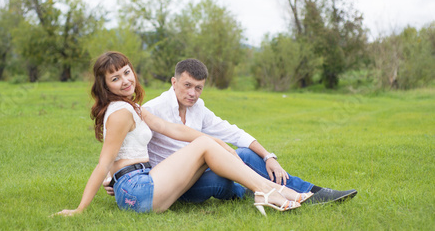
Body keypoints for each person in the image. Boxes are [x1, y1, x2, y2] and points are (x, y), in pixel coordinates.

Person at [55, 51, 313, 217]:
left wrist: (223, 147)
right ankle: (269, 191)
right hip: (136, 190)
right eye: (115, 78)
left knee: (207, 144)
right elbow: (104, 162)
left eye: (126, 72)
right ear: (105, 85)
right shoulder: (121, 112)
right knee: (205, 146)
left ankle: (270, 189)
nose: (125, 81)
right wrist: (80, 209)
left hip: (145, 184)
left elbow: (174, 130)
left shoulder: (134, 108)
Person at [104, 58, 356, 205]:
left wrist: (269, 156)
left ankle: (311, 193)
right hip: (172, 185)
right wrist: (112, 177)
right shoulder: (152, 110)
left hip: (199, 172)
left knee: (246, 153)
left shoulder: (198, 109)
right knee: (225, 180)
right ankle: (261, 190)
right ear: (174, 82)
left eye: (199, 88)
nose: (192, 93)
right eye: (187, 85)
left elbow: (233, 132)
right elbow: (126, 143)